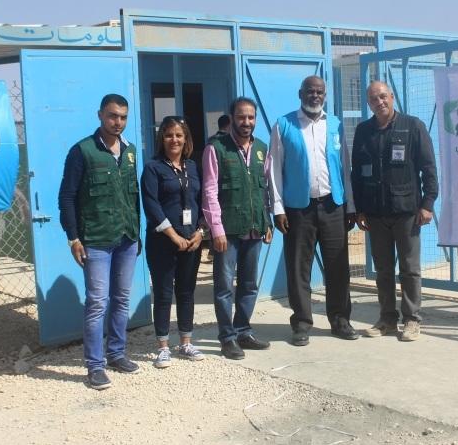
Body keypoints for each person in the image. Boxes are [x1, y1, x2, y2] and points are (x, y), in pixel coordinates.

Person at [58, 93, 142, 390]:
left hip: (126, 238)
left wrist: (137, 233)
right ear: (100, 115)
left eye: (123, 117)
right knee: (97, 303)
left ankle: (117, 353)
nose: (118, 122)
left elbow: (133, 197)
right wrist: (73, 238)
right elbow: (67, 197)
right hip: (95, 238)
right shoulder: (82, 151)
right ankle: (95, 365)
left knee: (122, 299)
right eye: (112, 116)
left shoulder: (130, 152)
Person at [269, 75, 358, 346]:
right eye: (310, 91)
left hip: (333, 205)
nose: (315, 96)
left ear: (325, 95)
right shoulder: (283, 124)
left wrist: (350, 205)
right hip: (299, 209)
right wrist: (278, 208)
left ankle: (340, 320)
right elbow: (274, 170)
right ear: (301, 94)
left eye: (319, 92)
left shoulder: (335, 124)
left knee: (338, 267)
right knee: (299, 268)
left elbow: (344, 167)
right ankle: (301, 323)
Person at [351, 81, 438, 342]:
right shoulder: (363, 131)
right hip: (375, 213)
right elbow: (357, 173)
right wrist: (360, 209)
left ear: (391, 97)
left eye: (383, 97)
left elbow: (428, 168)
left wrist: (428, 204)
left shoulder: (413, 126)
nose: (379, 102)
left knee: (409, 269)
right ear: (369, 103)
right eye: (373, 99)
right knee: (383, 270)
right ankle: (387, 319)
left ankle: (411, 319)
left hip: (406, 211)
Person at [201, 97, 274, 360]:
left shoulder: (262, 148)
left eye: (251, 117)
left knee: (249, 284)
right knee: (224, 287)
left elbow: (266, 188)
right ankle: (227, 338)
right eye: (241, 117)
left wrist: (267, 221)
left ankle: (243, 331)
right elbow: (209, 191)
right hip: (228, 230)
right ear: (232, 118)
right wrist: (216, 230)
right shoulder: (216, 148)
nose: (246, 122)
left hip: (255, 227)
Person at [141, 116, 206, 369]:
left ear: (186, 138)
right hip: (163, 241)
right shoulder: (153, 168)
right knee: (164, 292)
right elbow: (152, 204)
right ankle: (163, 347)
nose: (174, 140)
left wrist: (200, 231)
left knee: (187, 291)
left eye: (179, 135)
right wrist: (173, 235)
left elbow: (201, 201)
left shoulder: (193, 166)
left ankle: (186, 342)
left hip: (191, 240)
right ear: (162, 138)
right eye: (169, 135)